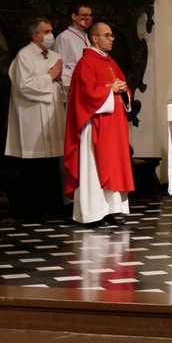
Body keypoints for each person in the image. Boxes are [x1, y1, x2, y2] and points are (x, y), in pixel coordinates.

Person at [64, 22, 134, 226]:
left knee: (113, 166)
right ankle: (92, 213)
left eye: (112, 35)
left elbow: (124, 89)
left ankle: (110, 210)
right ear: (95, 38)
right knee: (94, 168)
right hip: (95, 124)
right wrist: (110, 90)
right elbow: (85, 95)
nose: (112, 39)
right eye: (108, 35)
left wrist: (123, 90)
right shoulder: (86, 63)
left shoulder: (111, 62)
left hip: (114, 125)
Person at [5, 17, 66, 220]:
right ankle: (31, 210)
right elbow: (23, 85)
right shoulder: (24, 56)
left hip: (52, 114)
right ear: (35, 35)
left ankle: (53, 205)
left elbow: (62, 83)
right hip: (31, 115)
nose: (51, 35)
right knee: (34, 164)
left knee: (51, 163)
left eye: (51, 30)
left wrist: (59, 78)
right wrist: (50, 77)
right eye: (46, 31)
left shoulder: (55, 55)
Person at [54, 2, 92, 95]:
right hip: (73, 85)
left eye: (90, 15)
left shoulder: (86, 36)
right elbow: (60, 66)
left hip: (87, 83)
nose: (89, 19)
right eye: (85, 15)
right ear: (74, 16)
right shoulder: (64, 37)